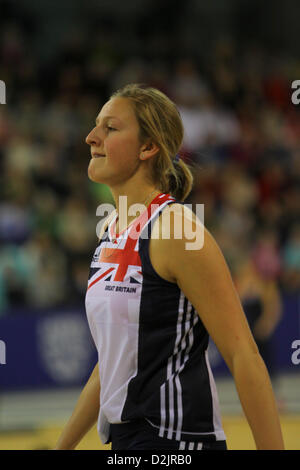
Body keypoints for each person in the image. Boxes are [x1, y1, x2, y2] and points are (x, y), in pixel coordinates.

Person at [54, 84, 284, 450]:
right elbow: (114, 364)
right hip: (128, 441)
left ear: (148, 148)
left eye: (110, 128)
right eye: (96, 125)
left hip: (176, 441)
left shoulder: (177, 231)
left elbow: (244, 354)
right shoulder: (111, 230)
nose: (91, 137)